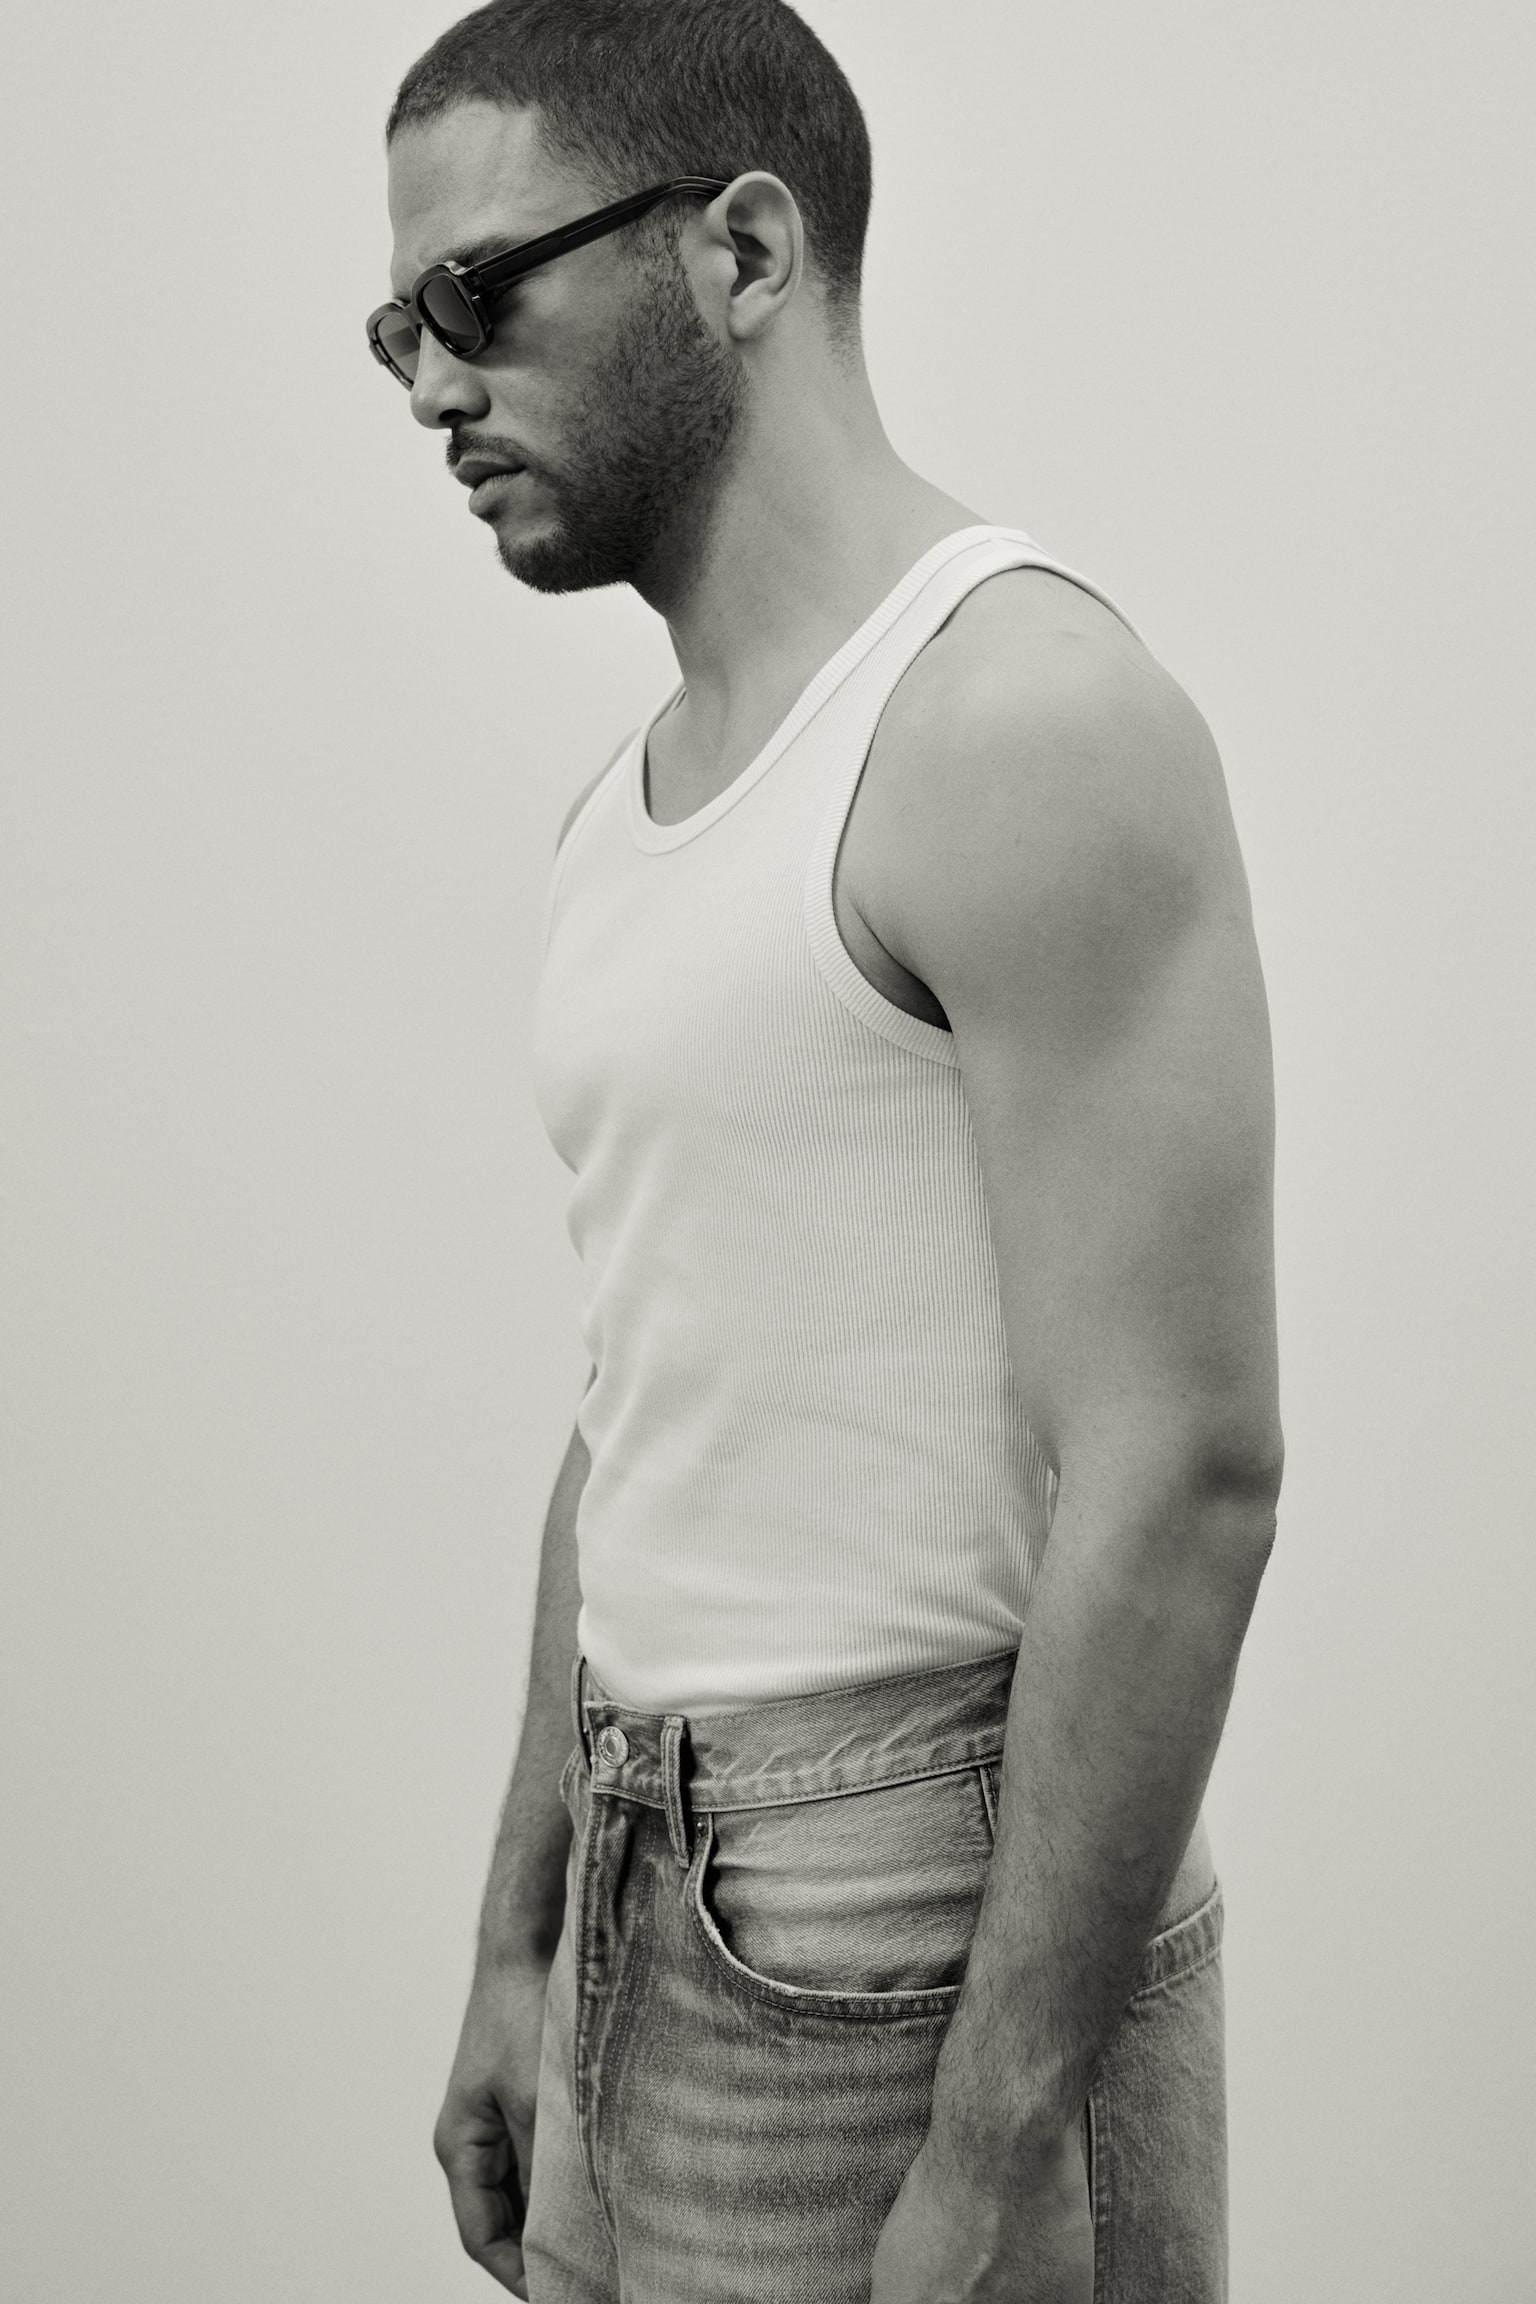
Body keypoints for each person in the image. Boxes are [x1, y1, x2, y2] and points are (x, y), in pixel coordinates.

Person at [369, 2, 1282, 2296]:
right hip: (647, 1888)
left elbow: (1183, 1469)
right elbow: (644, 1402)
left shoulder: (1016, 717)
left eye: (475, 294)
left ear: (748, 253)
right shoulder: (632, 811)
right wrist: (521, 1939)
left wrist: (1003, 2138)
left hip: (909, 1926)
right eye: (396, 330)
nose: (430, 385)